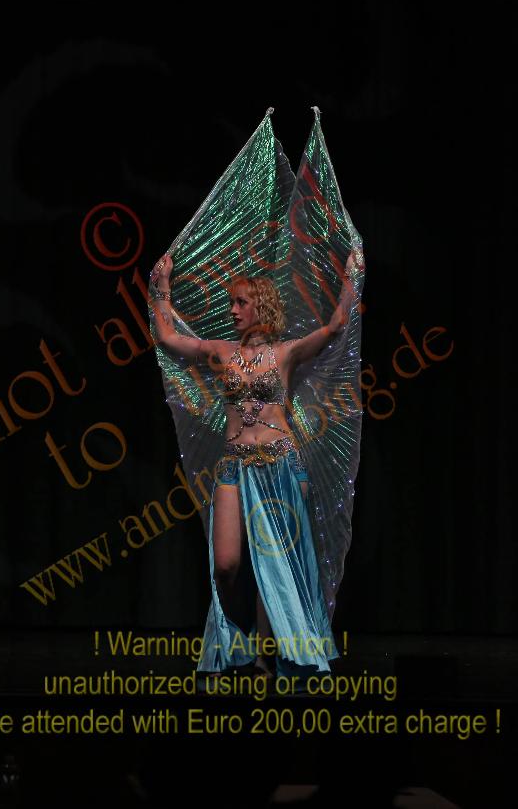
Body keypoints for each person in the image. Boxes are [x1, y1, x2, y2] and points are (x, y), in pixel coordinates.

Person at [147, 107, 365, 688]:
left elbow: (335, 327)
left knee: (277, 567)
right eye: (232, 303)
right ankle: (239, 643)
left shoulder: (286, 354)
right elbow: (169, 338)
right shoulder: (220, 353)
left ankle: (272, 656)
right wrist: (161, 288)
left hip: (282, 464)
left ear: (261, 306)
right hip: (234, 466)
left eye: (240, 302)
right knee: (226, 564)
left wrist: (352, 274)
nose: (233, 309)